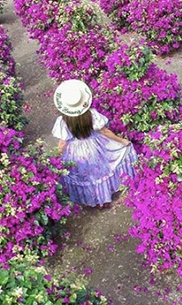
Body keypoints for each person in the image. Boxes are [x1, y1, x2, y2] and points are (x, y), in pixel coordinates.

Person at [51, 79, 138, 208]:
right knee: (99, 173)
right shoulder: (91, 115)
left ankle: (93, 200)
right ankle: (105, 199)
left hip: (75, 152)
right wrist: (122, 141)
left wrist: (55, 158)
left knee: (86, 177)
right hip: (95, 147)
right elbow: (105, 132)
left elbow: (63, 143)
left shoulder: (62, 121)